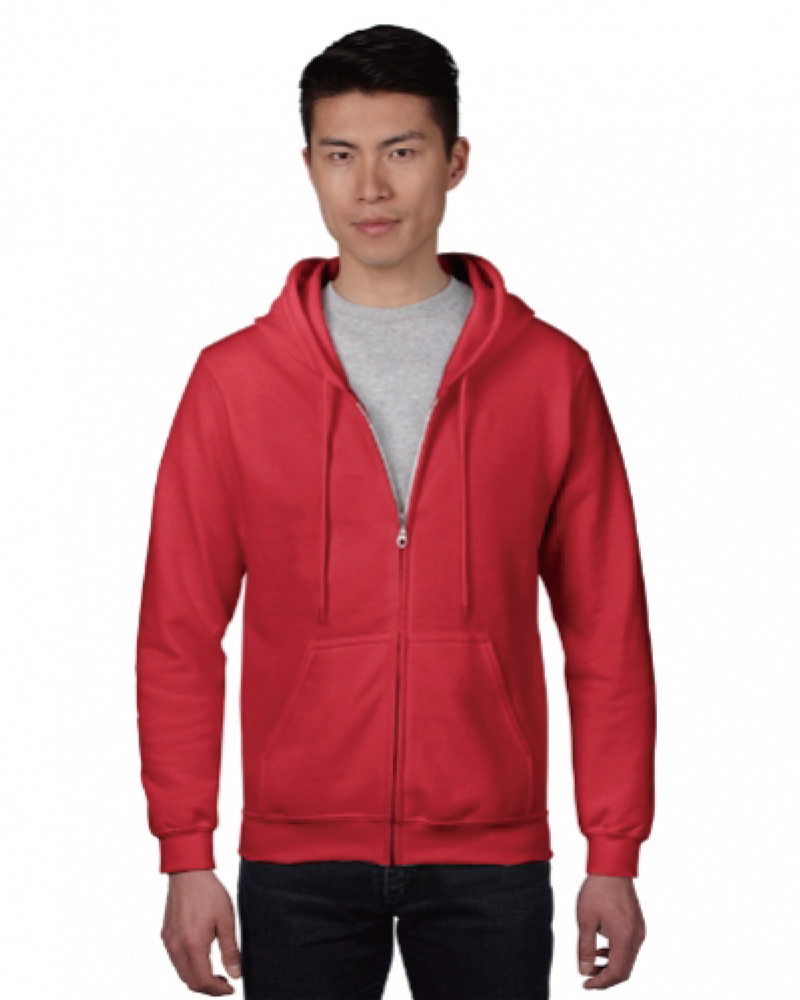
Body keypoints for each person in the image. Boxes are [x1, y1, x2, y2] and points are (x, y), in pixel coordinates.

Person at [135, 23, 656, 999]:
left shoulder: (549, 376)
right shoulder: (233, 382)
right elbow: (177, 631)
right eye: (341, 154)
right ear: (308, 166)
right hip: (295, 859)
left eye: (401, 152)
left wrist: (613, 851)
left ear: (454, 162)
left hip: (493, 858)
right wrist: (185, 852)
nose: (369, 187)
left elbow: (607, 630)